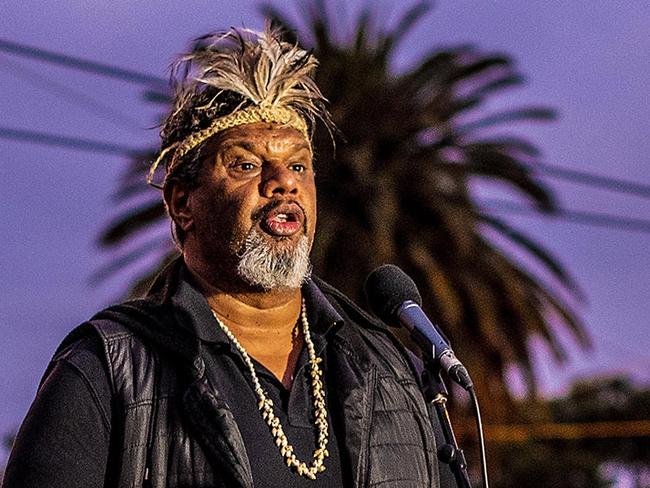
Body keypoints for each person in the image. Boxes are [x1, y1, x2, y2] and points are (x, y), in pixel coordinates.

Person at [4, 25, 453, 487]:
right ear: (183, 204)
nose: (284, 181)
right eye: (246, 164)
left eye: (298, 165)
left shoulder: (390, 370)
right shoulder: (110, 368)